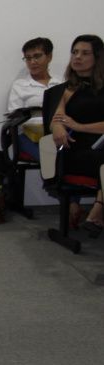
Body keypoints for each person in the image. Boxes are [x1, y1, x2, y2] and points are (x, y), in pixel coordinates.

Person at [50, 34, 104, 234]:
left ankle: (97, 211)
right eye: (75, 52)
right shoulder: (65, 90)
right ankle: (98, 212)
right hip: (76, 151)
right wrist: (57, 127)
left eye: (85, 53)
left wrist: (80, 125)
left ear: (98, 58)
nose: (78, 57)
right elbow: (56, 121)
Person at [7, 37, 62, 161]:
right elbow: (14, 117)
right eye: (28, 58)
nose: (32, 62)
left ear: (49, 57)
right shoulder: (20, 85)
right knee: (53, 161)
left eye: (37, 56)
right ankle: (56, 172)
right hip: (30, 135)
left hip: (58, 131)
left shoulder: (61, 83)